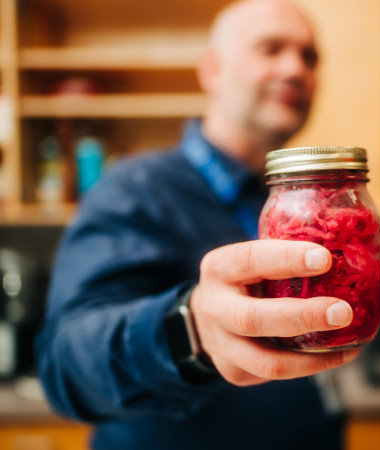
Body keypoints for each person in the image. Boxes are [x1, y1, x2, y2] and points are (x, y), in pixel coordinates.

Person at [35, 1, 357, 448]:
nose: (295, 68)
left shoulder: (312, 201)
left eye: (309, 56)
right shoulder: (133, 188)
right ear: (211, 70)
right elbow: (65, 364)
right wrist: (191, 330)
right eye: (271, 48)